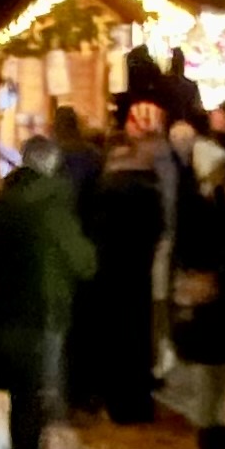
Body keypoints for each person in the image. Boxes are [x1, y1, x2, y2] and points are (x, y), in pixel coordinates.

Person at [0, 122, 98, 449]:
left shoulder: (0, 201)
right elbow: (82, 260)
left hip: (5, 306)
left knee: (20, 394)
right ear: (50, 163)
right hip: (45, 307)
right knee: (44, 390)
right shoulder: (53, 203)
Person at [79, 120, 172, 425]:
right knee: (137, 338)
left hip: (109, 275)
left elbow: (92, 233)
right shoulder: (149, 189)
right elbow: (158, 230)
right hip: (137, 274)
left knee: (113, 338)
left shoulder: (103, 190)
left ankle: (117, 401)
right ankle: (137, 404)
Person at [170, 135, 225, 442]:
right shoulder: (195, 200)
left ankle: (210, 420)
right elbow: (196, 241)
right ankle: (206, 424)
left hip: (216, 292)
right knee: (206, 365)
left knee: (214, 365)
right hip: (205, 288)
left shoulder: (215, 198)